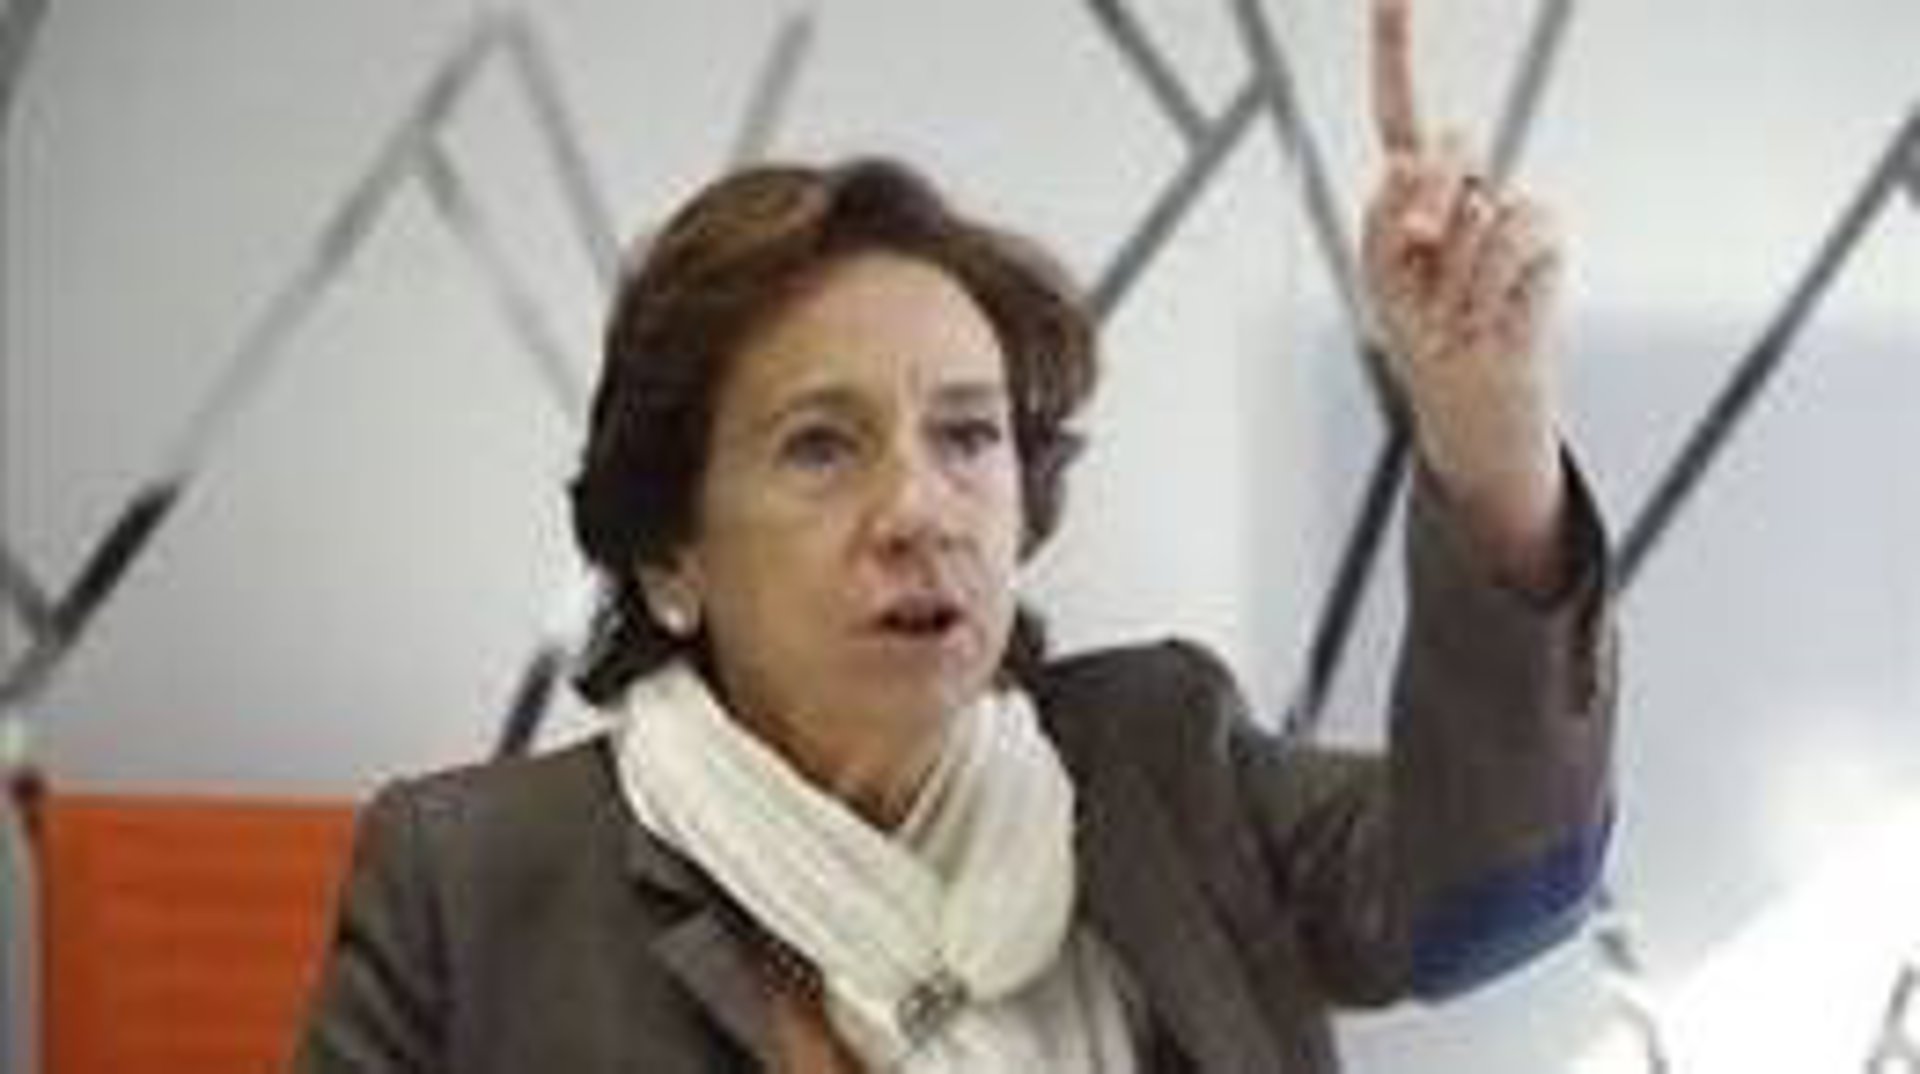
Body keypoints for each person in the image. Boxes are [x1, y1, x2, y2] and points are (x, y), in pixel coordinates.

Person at [295, 1, 1616, 1070]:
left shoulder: (1163, 764)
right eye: (821, 444)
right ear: (669, 557)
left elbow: (1500, 883)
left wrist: (1488, 436)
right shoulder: (473, 882)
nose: (920, 509)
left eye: (969, 435)